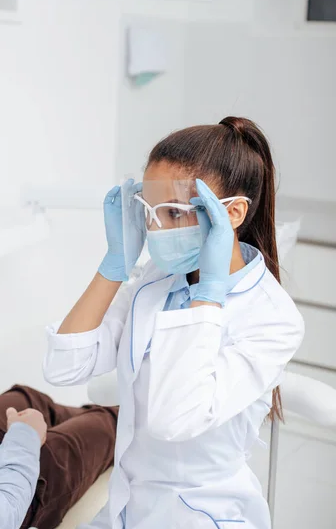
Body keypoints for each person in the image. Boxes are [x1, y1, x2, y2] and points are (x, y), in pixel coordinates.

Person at [43, 117, 305, 529]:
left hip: (200, 514)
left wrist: (208, 297)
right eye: (149, 212)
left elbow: (174, 419)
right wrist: (114, 268)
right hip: (126, 507)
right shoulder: (155, 279)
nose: (157, 229)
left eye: (174, 212)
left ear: (232, 213)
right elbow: (65, 366)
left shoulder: (273, 318)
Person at [0, 384, 118, 529]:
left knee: (30, 398)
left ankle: (87, 415)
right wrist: (25, 434)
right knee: (111, 421)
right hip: (14, 490)